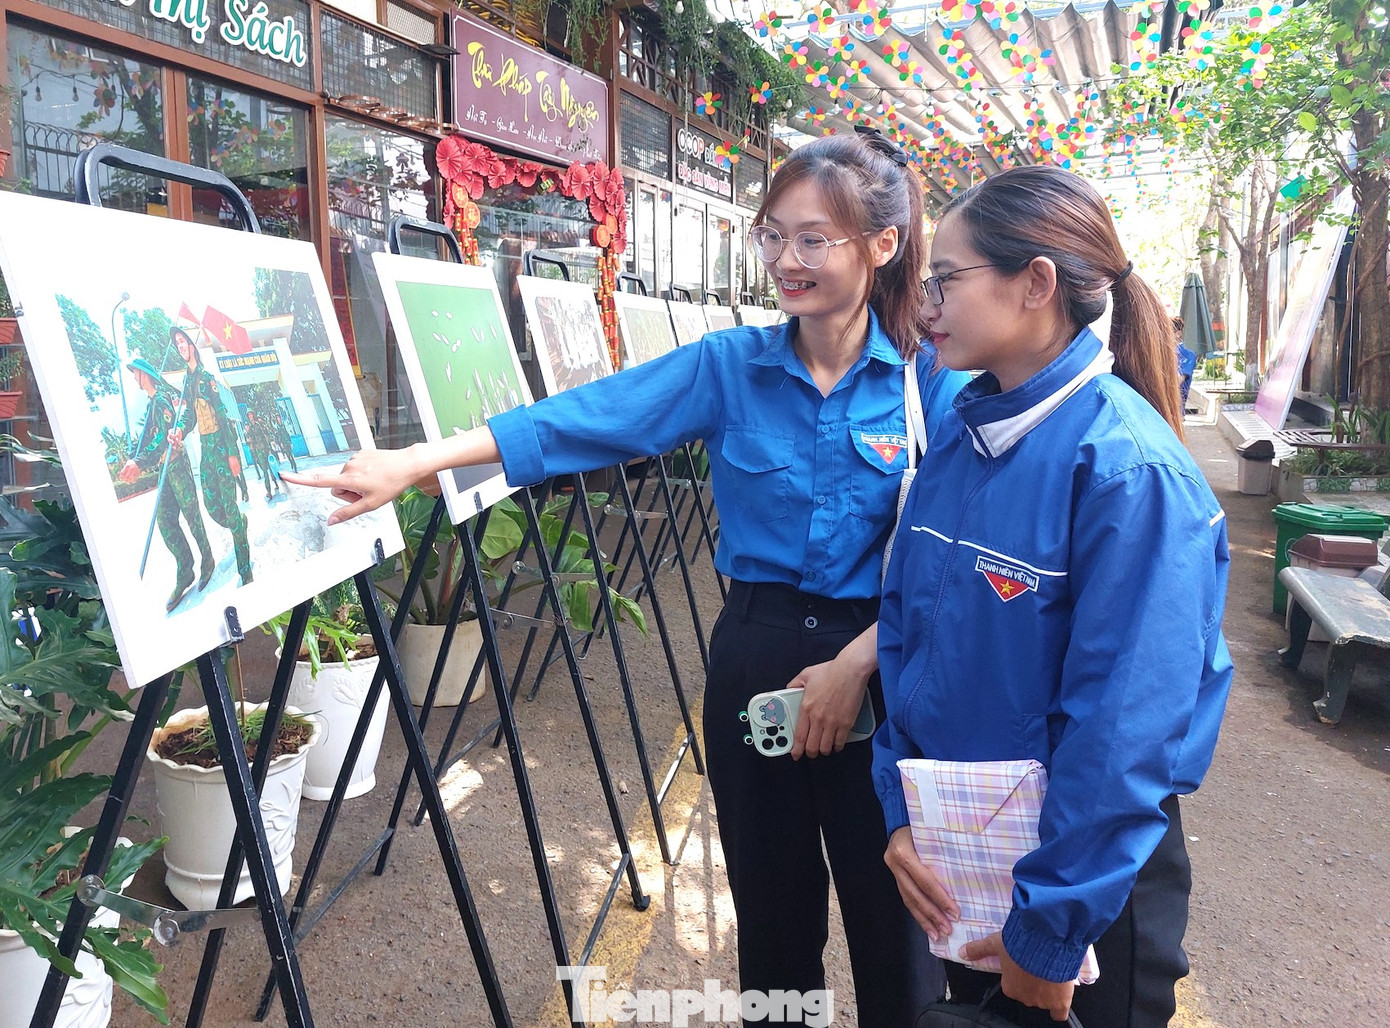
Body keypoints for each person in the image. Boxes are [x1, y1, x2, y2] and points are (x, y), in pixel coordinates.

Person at [284, 130, 970, 1025]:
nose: (786, 260)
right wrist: (416, 462)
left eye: (813, 239)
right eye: (772, 235)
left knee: (897, 929)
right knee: (771, 919)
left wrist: (856, 665)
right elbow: (582, 421)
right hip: (757, 658)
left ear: (880, 245)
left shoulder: (932, 383)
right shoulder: (733, 367)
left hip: (883, 669)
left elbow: (954, 558)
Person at [873, 164, 1233, 1026]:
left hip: (1088, 892)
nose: (926, 303)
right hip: (969, 865)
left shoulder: (1128, 473)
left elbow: (1123, 730)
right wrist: (899, 815)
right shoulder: (965, 437)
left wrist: (1052, 935)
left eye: (946, 279)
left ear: (1036, 284)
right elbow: (905, 640)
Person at [117, 357, 216, 611]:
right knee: (166, 522)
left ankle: (207, 559)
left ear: (145, 374)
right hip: (163, 469)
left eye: (135, 373)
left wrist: (140, 461)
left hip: (176, 465)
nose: (134, 378)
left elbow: (164, 435)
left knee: (192, 514)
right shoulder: (151, 406)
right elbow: (146, 439)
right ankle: (185, 569)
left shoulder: (161, 400)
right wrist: (133, 457)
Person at [168, 327, 254, 586]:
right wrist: (180, 428)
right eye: (177, 343)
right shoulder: (187, 382)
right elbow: (190, 416)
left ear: (192, 346)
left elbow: (223, 415)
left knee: (228, 505)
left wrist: (232, 453)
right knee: (213, 507)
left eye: (183, 341)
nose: (180, 346)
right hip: (206, 449)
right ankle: (240, 523)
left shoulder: (207, 379)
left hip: (220, 445)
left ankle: (245, 570)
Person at [1173, 315, 1197, 406]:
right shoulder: (1159, 353)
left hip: (1177, 409)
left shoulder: (1188, 355)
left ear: (1178, 334)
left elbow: (1178, 381)